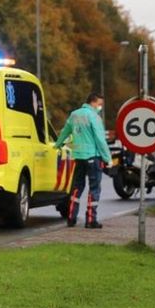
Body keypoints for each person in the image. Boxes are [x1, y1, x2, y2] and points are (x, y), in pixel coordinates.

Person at [55, 93, 111, 229]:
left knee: (76, 188)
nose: (100, 107)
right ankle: (91, 220)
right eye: (99, 104)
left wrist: (58, 144)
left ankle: (71, 217)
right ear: (93, 102)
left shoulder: (74, 114)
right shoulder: (94, 117)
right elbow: (100, 140)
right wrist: (107, 158)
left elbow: (65, 131)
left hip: (78, 156)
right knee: (94, 188)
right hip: (93, 156)